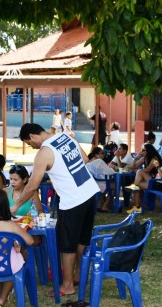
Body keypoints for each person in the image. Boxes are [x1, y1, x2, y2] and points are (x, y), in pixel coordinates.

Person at [14, 123, 99, 297]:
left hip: (73, 199)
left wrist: (16, 205)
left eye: (29, 144)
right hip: (90, 192)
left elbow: (32, 185)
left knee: (66, 244)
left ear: (32, 136)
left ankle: (67, 285)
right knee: (82, 239)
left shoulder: (44, 152)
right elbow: (84, 160)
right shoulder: (65, 136)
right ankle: (78, 277)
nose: (32, 147)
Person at [126, 144, 162, 213]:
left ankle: (134, 186)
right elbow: (133, 167)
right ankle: (137, 206)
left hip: (155, 181)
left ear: (148, 151)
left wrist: (137, 171)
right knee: (137, 186)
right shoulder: (144, 158)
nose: (141, 152)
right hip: (149, 180)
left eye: (143, 150)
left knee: (139, 172)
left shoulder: (154, 159)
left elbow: (147, 170)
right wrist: (135, 158)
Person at [86, 147, 116, 212]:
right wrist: (112, 168)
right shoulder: (99, 161)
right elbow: (109, 172)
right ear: (96, 155)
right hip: (101, 184)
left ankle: (99, 205)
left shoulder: (88, 163)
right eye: (102, 153)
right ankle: (105, 206)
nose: (104, 155)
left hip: (93, 184)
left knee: (107, 184)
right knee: (116, 186)